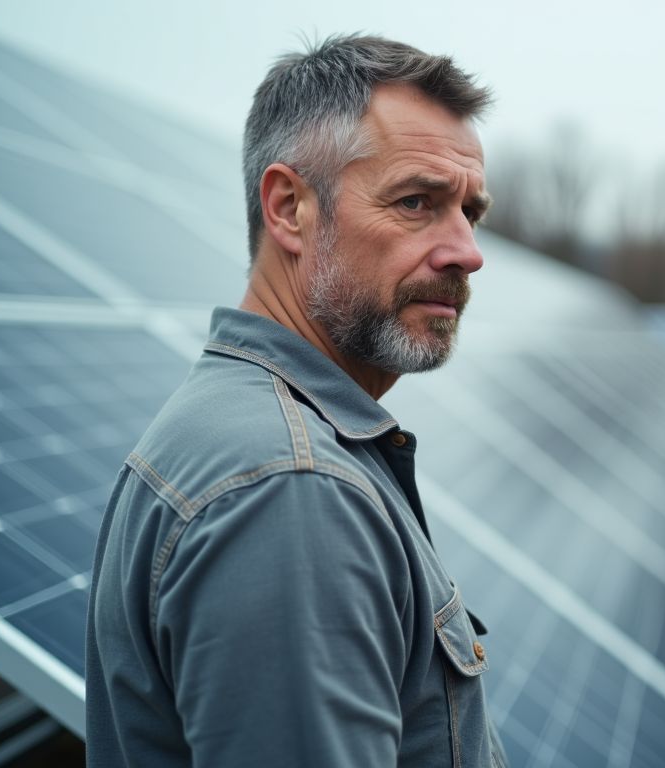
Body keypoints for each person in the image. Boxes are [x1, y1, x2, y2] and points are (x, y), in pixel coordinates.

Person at [84, 35, 506, 767]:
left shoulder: (249, 431)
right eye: (417, 202)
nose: (466, 250)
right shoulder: (289, 490)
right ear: (289, 209)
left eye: (471, 211)